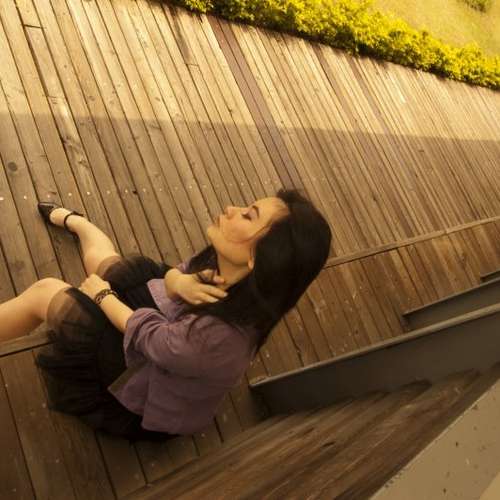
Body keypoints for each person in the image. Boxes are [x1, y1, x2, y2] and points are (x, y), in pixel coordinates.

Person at [0, 189, 331, 442]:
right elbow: (175, 274)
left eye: (247, 215)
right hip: (163, 325)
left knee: (47, 292)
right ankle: (78, 222)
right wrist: (176, 282)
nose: (232, 209)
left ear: (259, 259)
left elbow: (153, 341)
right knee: (107, 264)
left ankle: (80, 232)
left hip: (143, 382)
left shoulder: (223, 337)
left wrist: (102, 296)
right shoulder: (228, 268)